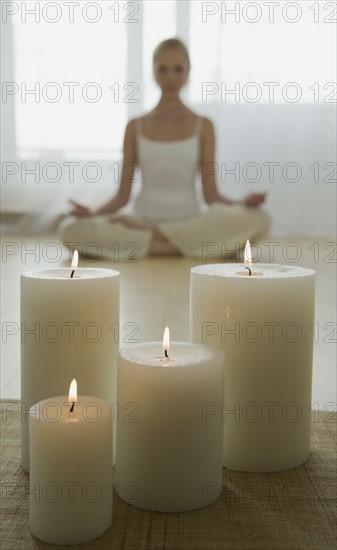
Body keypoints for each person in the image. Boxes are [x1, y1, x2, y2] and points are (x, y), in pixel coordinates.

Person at [59, 38, 270, 261]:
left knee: (261, 219)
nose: (170, 78)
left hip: (190, 222)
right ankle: (182, 247)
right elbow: (122, 195)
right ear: (154, 73)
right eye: (163, 69)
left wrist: (243, 204)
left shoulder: (204, 125)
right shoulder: (135, 126)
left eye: (178, 69)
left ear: (188, 73)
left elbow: (211, 195)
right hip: (140, 220)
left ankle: (154, 243)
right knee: (69, 229)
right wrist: (93, 214)